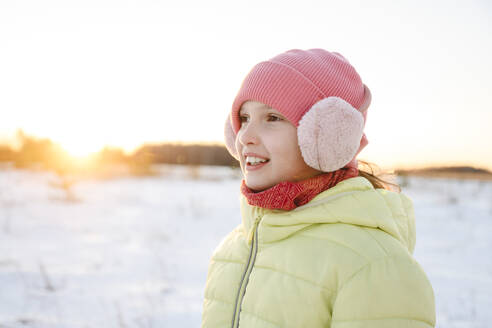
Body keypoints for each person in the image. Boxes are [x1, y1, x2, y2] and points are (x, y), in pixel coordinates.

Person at [201, 49, 436, 328]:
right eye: (244, 117)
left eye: (273, 118)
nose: (245, 137)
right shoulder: (232, 250)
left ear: (326, 135)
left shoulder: (374, 266)